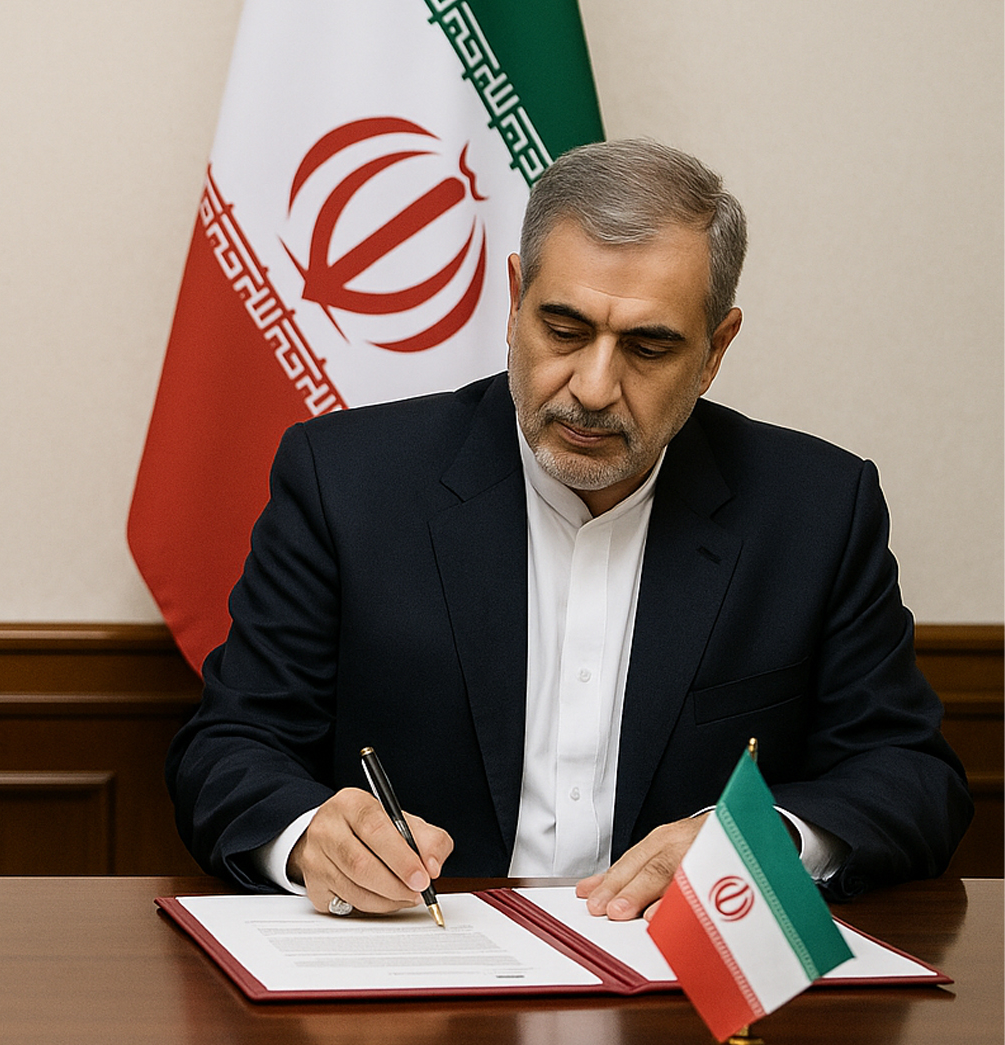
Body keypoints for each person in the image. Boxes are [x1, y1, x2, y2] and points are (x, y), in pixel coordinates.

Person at [166, 138, 969, 921]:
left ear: (715, 350)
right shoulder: (346, 482)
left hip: (677, 973)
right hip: (422, 961)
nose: (592, 387)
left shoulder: (815, 510)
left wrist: (757, 844)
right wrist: (312, 835)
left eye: (648, 347)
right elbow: (229, 748)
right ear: (515, 300)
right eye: (564, 329)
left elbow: (909, 776)